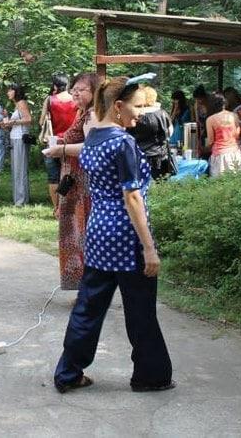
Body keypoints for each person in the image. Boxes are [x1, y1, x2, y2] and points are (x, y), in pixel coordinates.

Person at [53, 76, 173, 394]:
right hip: (126, 236)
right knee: (141, 310)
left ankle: (67, 373)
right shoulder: (123, 143)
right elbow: (132, 197)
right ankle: (150, 376)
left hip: (98, 233)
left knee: (88, 307)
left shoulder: (93, 137)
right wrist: (149, 248)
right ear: (118, 106)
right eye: (138, 107)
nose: (141, 114)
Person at [43, 72, 98, 290]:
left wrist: (62, 149)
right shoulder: (81, 112)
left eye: (81, 89)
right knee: (73, 234)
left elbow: (91, 147)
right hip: (73, 181)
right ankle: (82, 287)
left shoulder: (93, 114)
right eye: (74, 89)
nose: (75, 93)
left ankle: (88, 289)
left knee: (81, 234)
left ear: (95, 92)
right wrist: (60, 143)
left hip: (84, 184)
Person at [39, 74, 78, 212]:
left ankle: (57, 208)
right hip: (72, 142)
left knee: (53, 177)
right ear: (68, 85)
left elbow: (41, 121)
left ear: (55, 86)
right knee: (71, 175)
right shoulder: (75, 99)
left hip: (53, 142)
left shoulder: (50, 100)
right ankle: (69, 206)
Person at [127, 87, 175, 180]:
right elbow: (170, 132)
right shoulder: (162, 113)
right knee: (160, 183)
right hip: (159, 157)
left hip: (138, 156)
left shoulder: (135, 114)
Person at [5, 83, 32, 206]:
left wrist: (13, 122)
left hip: (20, 138)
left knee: (20, 169)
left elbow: (28, 119)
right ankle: (18, 198)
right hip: (14, 138)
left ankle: (22, 200)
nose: (8, 93)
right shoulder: (16, 105)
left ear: (16, 91)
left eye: (10, 90)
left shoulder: (21, 103)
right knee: (16, 169)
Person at [205, 93, 241, 176]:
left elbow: (211, 141)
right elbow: (237, 134)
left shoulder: (210, 120)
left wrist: (203, 149)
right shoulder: (234, 115)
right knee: (236, 180)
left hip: (220, 155)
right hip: (235, 153)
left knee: (219, 182)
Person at [192, 85, 210, 157]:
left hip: (210, 129)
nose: (198, 101)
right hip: (202, 131)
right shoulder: (196, 105)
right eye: (196, 99)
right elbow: (197, 121)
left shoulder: (209, 104)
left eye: (199, 99)